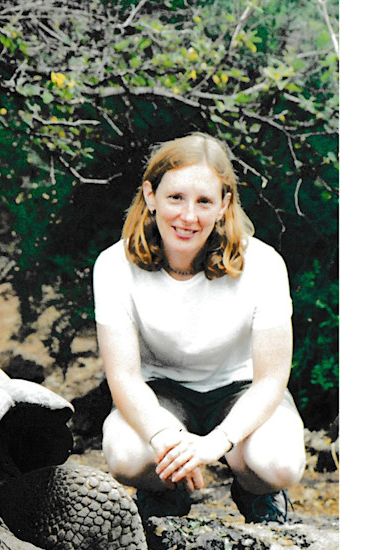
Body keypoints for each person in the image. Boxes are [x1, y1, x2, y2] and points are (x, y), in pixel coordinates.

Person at [93, 132, 307, 523]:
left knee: (278, 463)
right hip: (162, 394)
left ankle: (255, 490)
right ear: (150, 195)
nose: (188, 216)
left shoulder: (263, 264)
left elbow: (271, 380)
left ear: (224, 205)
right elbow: (122, 376)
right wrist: (165, 440)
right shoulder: (113, 265)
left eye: (204, 201)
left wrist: (217, 444)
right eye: (176, 197)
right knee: (125, 454)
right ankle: (165, 492)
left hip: (241, 392)